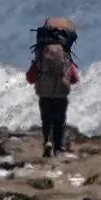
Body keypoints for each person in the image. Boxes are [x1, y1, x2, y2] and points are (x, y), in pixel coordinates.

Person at [25, 17, 80, 157]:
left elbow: (30, 78)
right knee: (59, 121)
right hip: (61, 94)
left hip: (44, 94)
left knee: (46, 120)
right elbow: (74, 78)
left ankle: (47, 142)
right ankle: (58, 148)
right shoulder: (66, 58)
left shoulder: (40, 57)